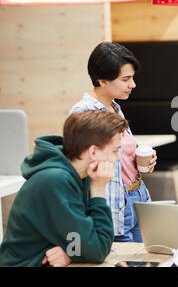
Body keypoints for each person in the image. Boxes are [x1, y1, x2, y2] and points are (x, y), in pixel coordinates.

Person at [0, 110, 128, 267]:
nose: (118, 157)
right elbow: (98, 250)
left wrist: (71, 255)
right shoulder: (56, 181)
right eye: (115, 150)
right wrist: (99, 191)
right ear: (93, 151)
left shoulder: (79, 174)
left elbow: (79, 238)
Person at [68, 41, 156, 243]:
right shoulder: (82, 114)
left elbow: (117, 154)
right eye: (126, 79)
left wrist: (139, 159)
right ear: (101, 80)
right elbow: (77, 170)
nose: (132, 85)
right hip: (114, 204)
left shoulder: (115, 108)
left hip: (138, 196)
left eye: (132, 78)